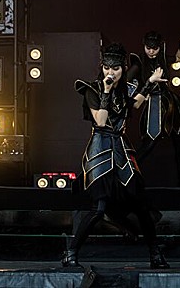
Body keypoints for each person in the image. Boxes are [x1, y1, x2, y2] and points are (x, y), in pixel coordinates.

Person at [62, 43, 169, 269]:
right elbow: (100, 121)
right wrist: (107, 91)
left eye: (116, 69)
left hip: (121, 147)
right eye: (107, 69)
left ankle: (155, 255)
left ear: (122, 69)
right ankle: (71, 253)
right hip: (100, 148)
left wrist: (149, 84)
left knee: (141, 205)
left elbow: (135, 104)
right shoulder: (91, 90)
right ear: (102, 68)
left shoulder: (124, 91)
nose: (111, 73)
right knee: (98, 209)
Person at [128, 30, 180, 186]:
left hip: (170, 102)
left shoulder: (163, 57)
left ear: (160, 47)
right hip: (153, 102)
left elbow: (178, 59)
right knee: (149, 143)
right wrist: (144, 89)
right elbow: (127, 79)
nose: (151, 51)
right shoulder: (139, 61)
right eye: (148, 47)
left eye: (155, 48)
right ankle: (127, 176)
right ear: (144, 45)